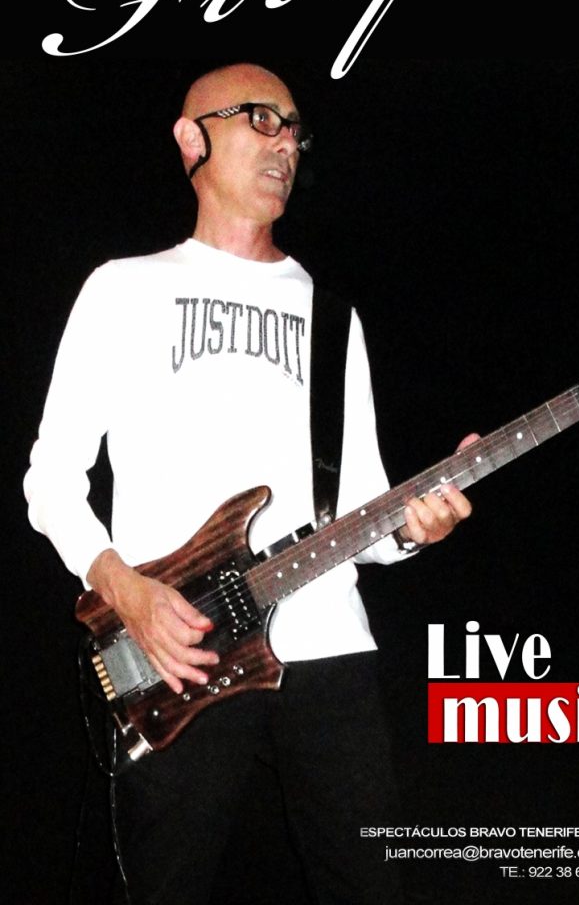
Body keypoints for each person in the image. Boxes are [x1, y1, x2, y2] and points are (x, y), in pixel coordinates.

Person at [24, 63, 475, 905]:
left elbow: (365, 508)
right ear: (190, 140)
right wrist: (126, 591)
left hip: (330, 649)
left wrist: (415, 530)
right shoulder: (123, 288)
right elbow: (51, 478)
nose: (284, 143)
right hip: (184, 649)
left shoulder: (333, 317)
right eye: (259, 119)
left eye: (294, 128)